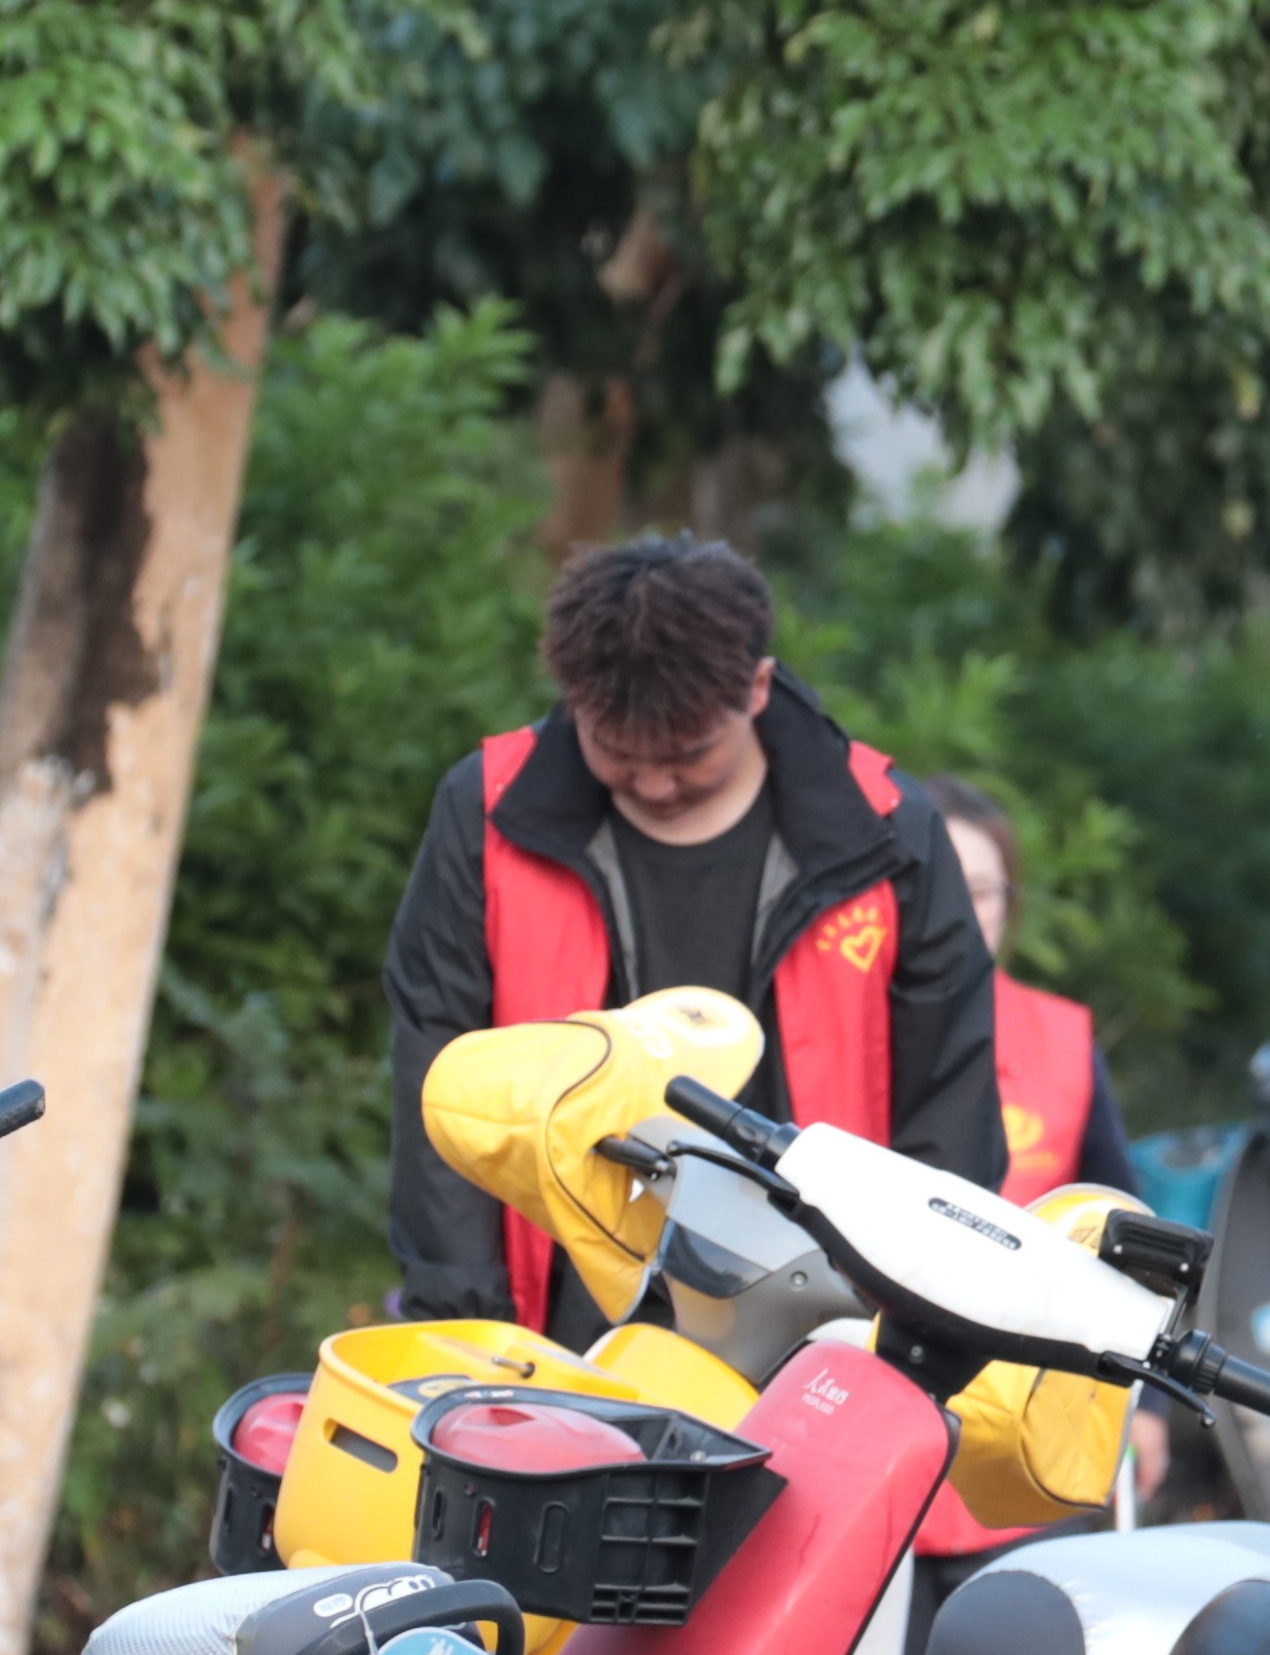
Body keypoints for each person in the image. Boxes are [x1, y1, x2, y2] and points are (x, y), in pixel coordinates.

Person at [379, 534, 999, 1333]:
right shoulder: (490, 812)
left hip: (820, 1316)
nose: (653, 783)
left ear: (757, 688)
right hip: (562, 1316)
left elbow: (950, 1105)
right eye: (615, 752)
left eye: (686, 754)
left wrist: (917, 1320)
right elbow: (437, 1062)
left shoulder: (883, 833)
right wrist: (465, 1317)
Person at [913, 774, 1136, 1202]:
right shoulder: (837, 1025)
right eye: (938, 886)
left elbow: (1113, 1214)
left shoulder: (1062, 1039)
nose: (958, 911)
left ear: (1008, 902)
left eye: (979, 891)